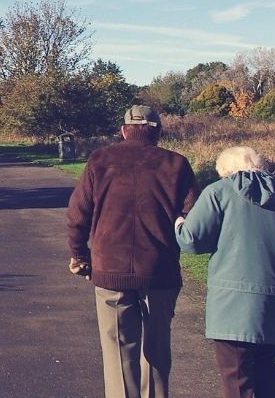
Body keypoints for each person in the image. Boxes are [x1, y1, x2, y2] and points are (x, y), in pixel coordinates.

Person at [66, 105, 201, 398]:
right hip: (160, 271)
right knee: (157, 348)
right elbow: (194, 218)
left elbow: (77, 215)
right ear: (158, 132)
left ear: (124, 130)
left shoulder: (100, 161)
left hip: (110, 269)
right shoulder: (177, 164)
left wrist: (79, 255)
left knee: (117, 351)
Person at [175, 146, 275, 398]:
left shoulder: (218, 192)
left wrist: (179, 223)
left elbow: (192, 240)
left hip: (230, 308)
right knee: (267, 371)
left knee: (237, 379)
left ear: (225, 171)